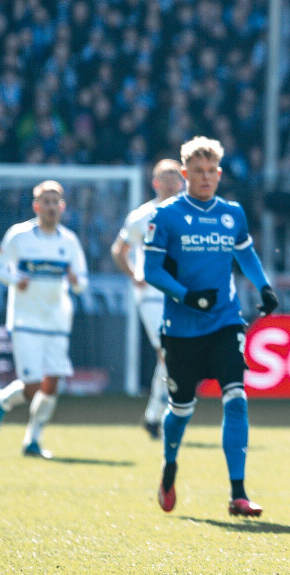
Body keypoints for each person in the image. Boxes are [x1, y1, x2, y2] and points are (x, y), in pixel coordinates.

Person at [142, 137, 279, 515]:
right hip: (182, 328)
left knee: (236, 398)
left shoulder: (232, 213)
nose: (204, 178)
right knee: (181, 408)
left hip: (225, 322)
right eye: (197, 172)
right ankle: (169, 466)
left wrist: (264, 286)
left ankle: (238, 493)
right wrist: (187, 296)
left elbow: (245, 253)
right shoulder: (166, 216)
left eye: (210, 172)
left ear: (219, 174)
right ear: (184, 173)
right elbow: (150, 270)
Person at [0, 180, 88, 458]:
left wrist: (75, 282)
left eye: (55, 202)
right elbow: (1, 266)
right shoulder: (19, 236)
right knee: (33, 384)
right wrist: (14, 279)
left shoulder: (69, 241)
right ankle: (2, 401)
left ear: (62, 207)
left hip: (57, 321)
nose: (50, 207)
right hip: (25, 320)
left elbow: (82, 282)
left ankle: (33, 440)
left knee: (53, 383)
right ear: (36, 206)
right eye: (45, 202)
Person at [112, 159, 185, 440]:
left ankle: (153, 416)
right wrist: (134, 274)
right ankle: (162, 415)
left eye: (175, 176)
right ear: (155, 182)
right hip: (152, 295)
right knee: (167, 350)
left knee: (171, 355)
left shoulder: (191, 214)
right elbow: (120, 250)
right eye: (164, 177)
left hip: (179, 293)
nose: (170, 181)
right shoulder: (141, 216)